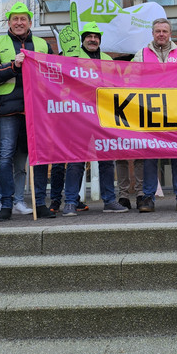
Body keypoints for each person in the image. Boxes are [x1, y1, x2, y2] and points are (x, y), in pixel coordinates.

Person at [0, 2, 56, 220]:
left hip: (37, 109)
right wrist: (13, 66)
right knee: (5, 157)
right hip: (8, 110)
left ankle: (40, 203)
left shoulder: (43, 44)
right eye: (15, 19)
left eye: (23, 19)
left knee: (39, 157)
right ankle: (6, 204)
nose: (19, 22)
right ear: (9, 22)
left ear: (30, 22)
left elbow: (55, 75)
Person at [132, 18, 177, 212]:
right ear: (152, 34)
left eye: (164, 31)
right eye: (158, 31)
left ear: (170, 34)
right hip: (149, 112)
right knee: (150, 155)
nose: (161, 34)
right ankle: (148, 198)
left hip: (175, 112)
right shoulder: (141, 54)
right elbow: (131, 80)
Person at [62, 22, 128, 216]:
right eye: (89, 36)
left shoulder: (107, 59)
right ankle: (70, 202)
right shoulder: (72, 56)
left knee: (107, 160)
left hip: (103, 116)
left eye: (96, 37)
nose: (93, 40)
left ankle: (109, 201)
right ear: (83, 39)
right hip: (79, 117)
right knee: (76, 161)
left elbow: (116, 86)